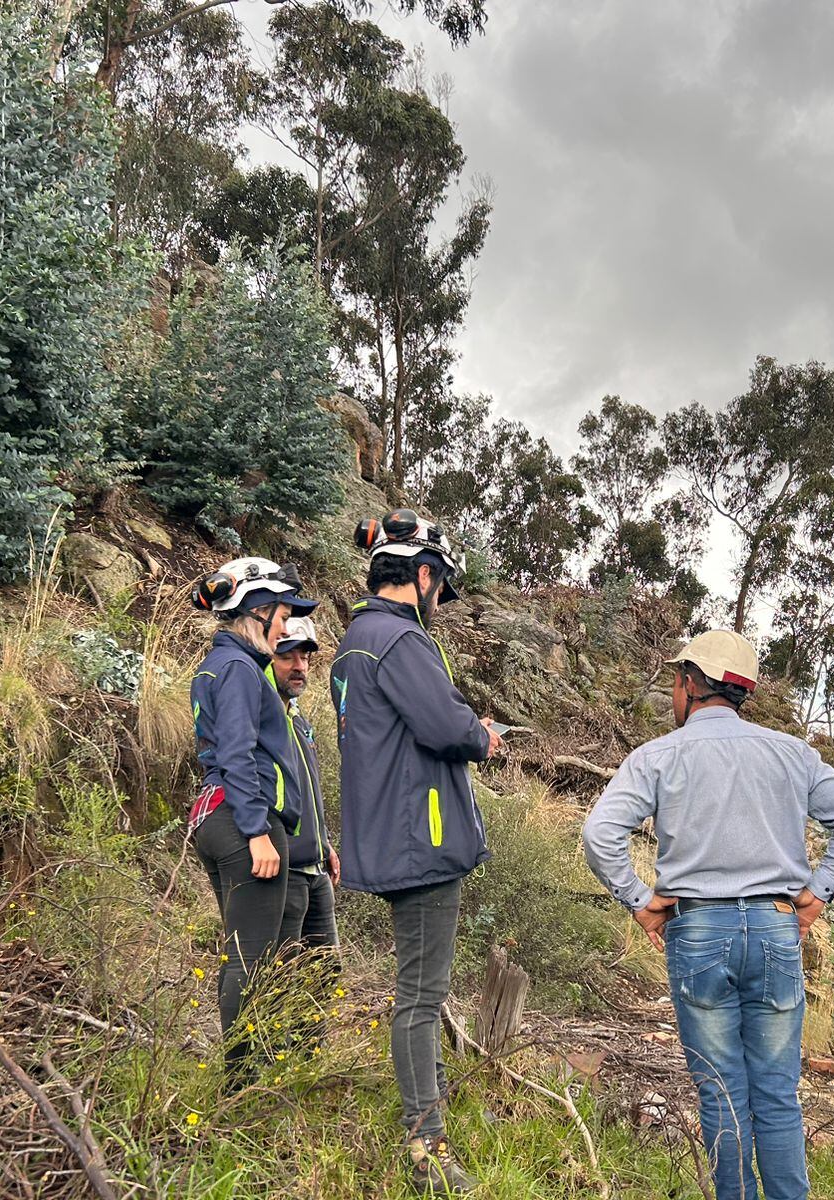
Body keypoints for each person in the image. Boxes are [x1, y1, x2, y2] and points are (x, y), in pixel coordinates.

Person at [581, 630, 834, 1200]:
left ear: (690, 684)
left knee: (722, 1092)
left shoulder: (658, 757)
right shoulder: (792, 753)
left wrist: (640, 901)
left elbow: (600, 832)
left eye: (675, 681)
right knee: (776, 1093)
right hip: (775, 929)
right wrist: (818, 894)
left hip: (696, 933)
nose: (674, 691)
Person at [330, 509, 501, 1196]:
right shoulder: (398, 639)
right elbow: (442, 724)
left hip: (397, 835)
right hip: (421, 842)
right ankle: (424, 1145)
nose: (441, 601)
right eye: (441, 585)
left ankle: (427, 1120)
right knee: (421, 999)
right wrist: (482, 735)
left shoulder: (355, 639)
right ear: (422, 574)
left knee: (419, 996)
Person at [189, 555, 319, 1083]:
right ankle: (243, 1085)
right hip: (244, 822)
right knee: (251, 961)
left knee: (243, 952)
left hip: (215, 818)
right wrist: (258, 831)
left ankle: (253, 1070)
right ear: (259, 611)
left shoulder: (217, 663)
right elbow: (239, 754)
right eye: (283, 615)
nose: (287, 627)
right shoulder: (242, 668)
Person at [271, 615, 339, 951]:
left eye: (306, 657)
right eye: (287, 657)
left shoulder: (299, 720)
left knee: (327, 978)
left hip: (316, 871)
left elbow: (307, 791)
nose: (299, 666)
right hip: (285, 874)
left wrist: (324, 843)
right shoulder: (260, 720)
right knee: (278, 981)